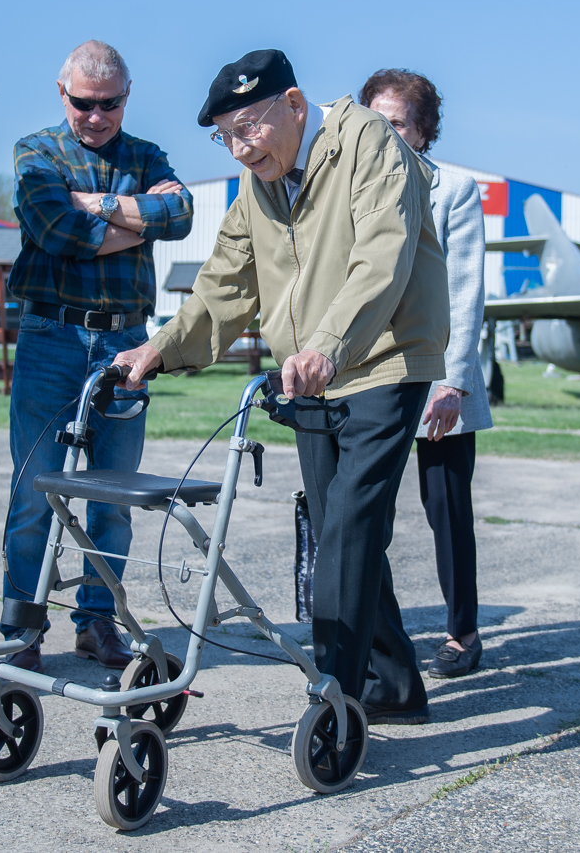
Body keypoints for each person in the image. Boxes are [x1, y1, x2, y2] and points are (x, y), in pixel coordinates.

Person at [115, 50, 449, 724]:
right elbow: (225, 284)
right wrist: (160, 348)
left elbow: (381, 256)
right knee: (334, 528)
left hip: (384, 356)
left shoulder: (370, 144)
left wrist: (326, 346)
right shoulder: (261, 185)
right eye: (225, 137)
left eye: (247, 128)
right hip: (314, 370)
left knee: (351, 525)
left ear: (294, 104)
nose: (240, 149)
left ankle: (336, 695)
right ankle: (395, 683)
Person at [0, 41, 193, 672]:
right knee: (35, 490)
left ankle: (97, 620)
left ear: (126, 97)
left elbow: (182, 211)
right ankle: (21, 628)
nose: (96, 115)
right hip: (51, 337)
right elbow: (54, 229)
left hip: (124, 342)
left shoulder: (146, 155)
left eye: (109, 103)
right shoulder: (36, 151)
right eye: (84, 103)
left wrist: (99, 205)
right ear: (63, 94)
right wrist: (139, 217)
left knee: (111, 496)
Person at [362, 69, 493, 677]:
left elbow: (465, 291)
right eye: (374, 120)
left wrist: (452, 382)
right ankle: (373, 634)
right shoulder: (349, 186)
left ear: (423, 131)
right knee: (367, 513)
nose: (383, 133)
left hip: (438, 375)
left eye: (396, 123)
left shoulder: (455, 191)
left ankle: (463, 635)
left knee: (446, 510)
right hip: (372, 373)